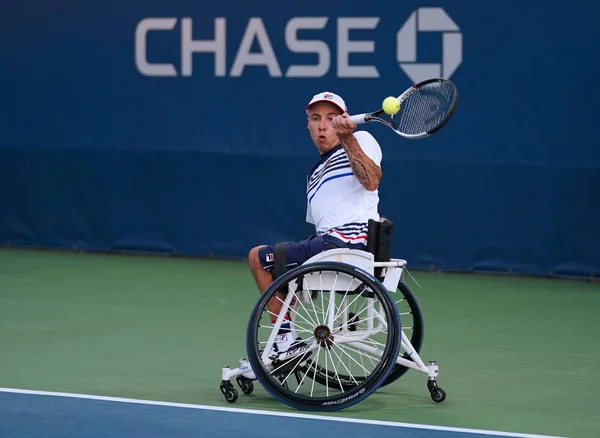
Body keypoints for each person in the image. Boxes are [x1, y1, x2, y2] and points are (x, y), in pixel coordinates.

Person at [247, 91, 383, 357]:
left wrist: (348, 139)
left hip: (346, 245)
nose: (323, 125)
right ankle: (285, 339)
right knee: (283, 271)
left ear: (344, 120)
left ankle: (284, 342)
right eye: (315, 118)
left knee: (258, 257)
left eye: (331, 118)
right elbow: (321, 228)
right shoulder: (314, 174)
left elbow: (371, 181)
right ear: (308, 125)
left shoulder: (361, 139)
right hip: (328, 245)